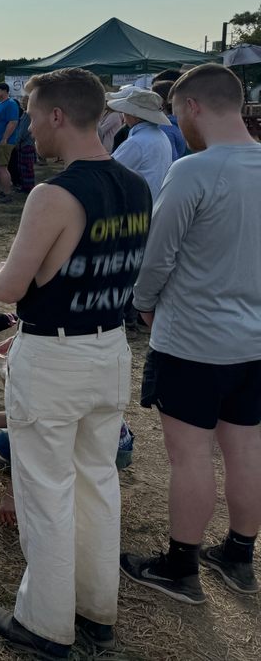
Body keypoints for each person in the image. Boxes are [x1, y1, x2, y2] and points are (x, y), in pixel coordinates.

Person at [0, 67, 152, 658]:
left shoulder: (53, 194)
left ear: (57, 115)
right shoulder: (137, 185)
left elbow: (9, 286)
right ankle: (96, 611)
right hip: (109, 349)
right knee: (98, 482)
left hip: (55, 356)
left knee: (45, 489)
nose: (29, 129)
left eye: (32, 116)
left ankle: (46, 622)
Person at [121, 64, 261, 603]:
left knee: (191, 456)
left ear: (194, 107)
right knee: (246, 446)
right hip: (253, 341)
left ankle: (180, 566)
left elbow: (157, 257)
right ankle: (239, 554)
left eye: (179, 111)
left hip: (195, 339)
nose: (179, 122)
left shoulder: (196, 170)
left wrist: (143, 305)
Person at [108, 86, 173, 201]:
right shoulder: (161, 135)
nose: (124, 115)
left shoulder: (136, 142)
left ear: (133, 115)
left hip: (139, 206)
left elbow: (110, 173)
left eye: (125, 112)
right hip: (154, 201)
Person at [0, 83, 21, 203]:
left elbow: (13, 122)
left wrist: (5, 138)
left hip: (3, 142)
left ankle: (7, 194)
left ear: (4, 91)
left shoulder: (10, 104)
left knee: (2, 167)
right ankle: (1, 192)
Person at [149, 81, 188, 161]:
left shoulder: (165, 128)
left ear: (161, 101)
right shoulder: (183, 121)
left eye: (152, 97)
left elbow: (169, 161)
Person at [17, 108, 37, 192]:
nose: (22, 102)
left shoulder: (28, 115)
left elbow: (23, 131)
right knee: (24, 167)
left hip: (26, 144)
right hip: (27, 144)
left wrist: (18, 140)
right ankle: (25, 186)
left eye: (25, 100)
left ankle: (28, 187)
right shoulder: (28, 114)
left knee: (27, 167)